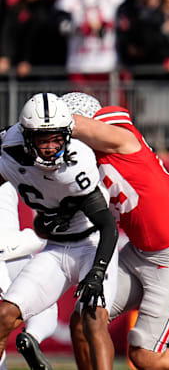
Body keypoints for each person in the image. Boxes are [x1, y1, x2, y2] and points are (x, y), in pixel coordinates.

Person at [60, 92, 169, 370]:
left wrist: (38, 120)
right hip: (138, 253)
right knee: (83, 318)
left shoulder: (121, 134)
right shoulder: (85, 163)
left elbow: (80, 126)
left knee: (145, 355)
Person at [0, 93, 119, 370]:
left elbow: (107, 225)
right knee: (4, 316)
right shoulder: (11, 151)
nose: (53, 147)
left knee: (93, 318)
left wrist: (98, 272)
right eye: (44, 140)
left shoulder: (77, 162)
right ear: (28, 138)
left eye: (58, 138)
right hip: (56, 249)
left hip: (91, 244)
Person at [0, 181, 58, 370]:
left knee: (45, 304)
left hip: (13, 247)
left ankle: (31, 338)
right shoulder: (8, 159)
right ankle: (32, 336)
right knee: (44, 302)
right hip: (14, 246)